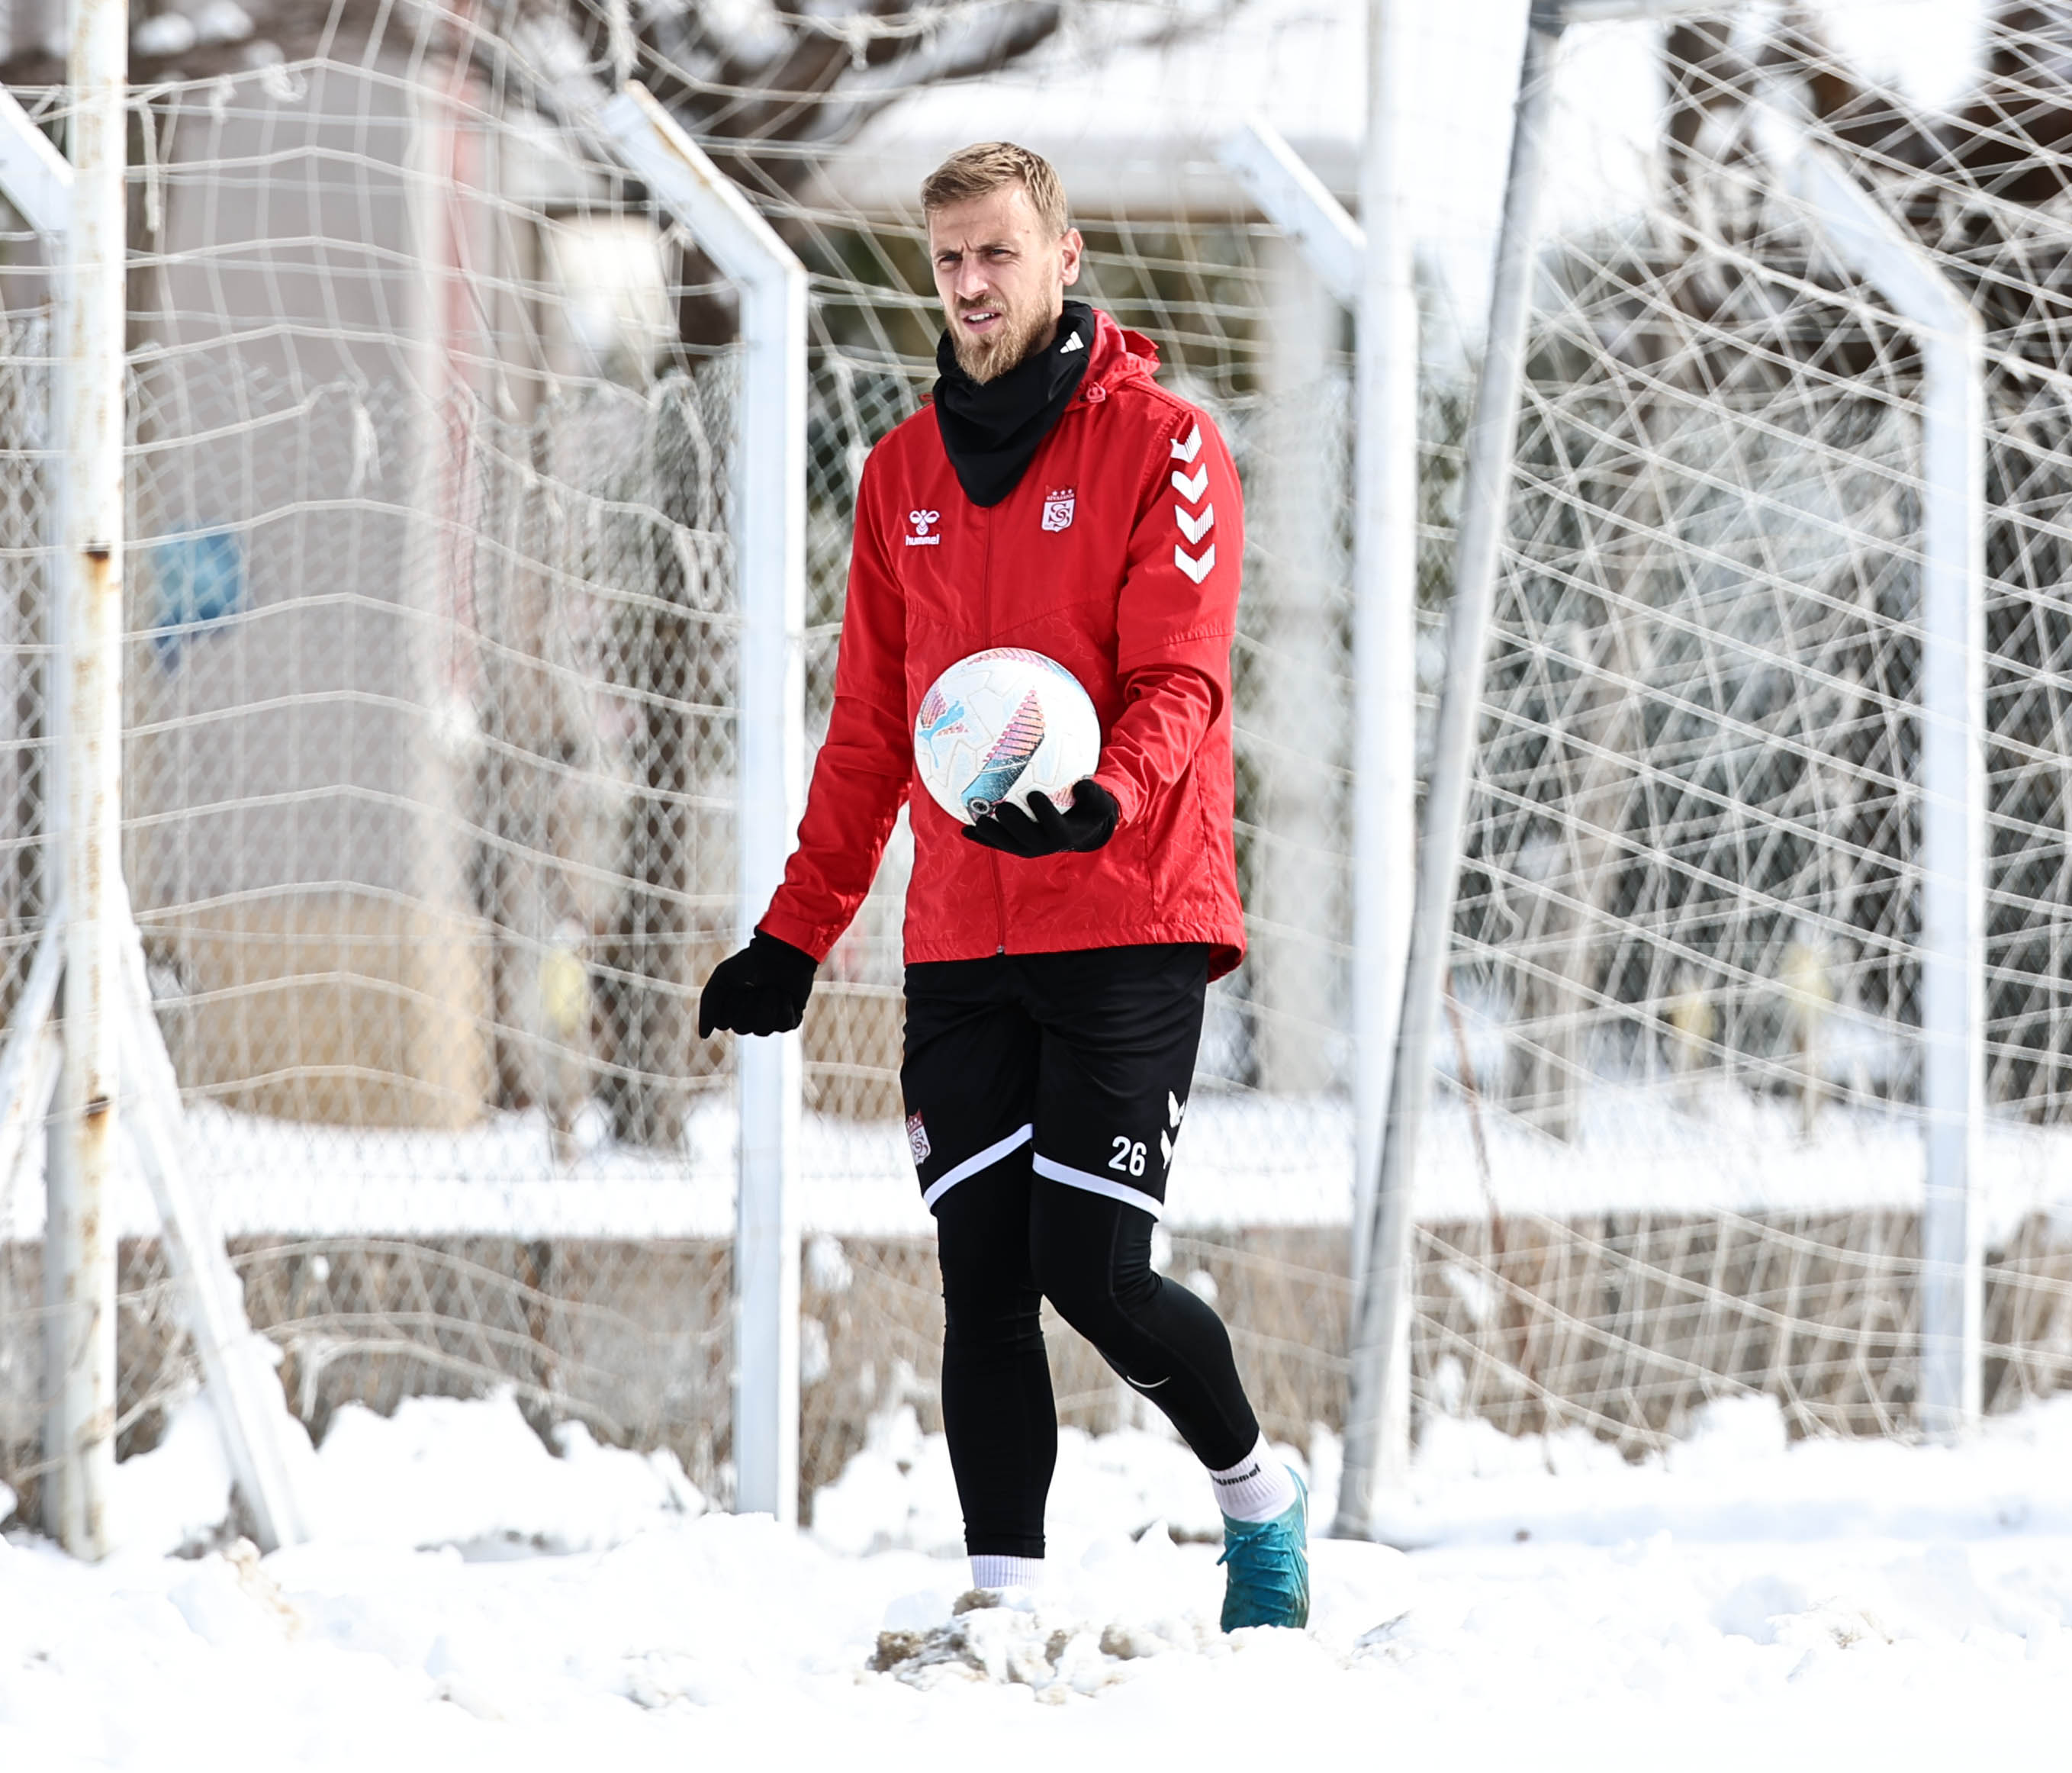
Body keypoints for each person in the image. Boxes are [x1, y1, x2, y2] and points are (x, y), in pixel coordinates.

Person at [697, 141, 1308, 1631]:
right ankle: (1002, 1605)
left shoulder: (1163, 445)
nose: (971, 286)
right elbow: (866, 734)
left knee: (1089, 1268)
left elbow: (1179, 677)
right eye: (948, 259)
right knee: (980, 1269)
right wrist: (793, 933)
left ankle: (1255, 1502)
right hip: (964, 933)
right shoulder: (899, 476)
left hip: (1129, 912)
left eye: (997, 254)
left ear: (1063, 256)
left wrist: (1102, 800)